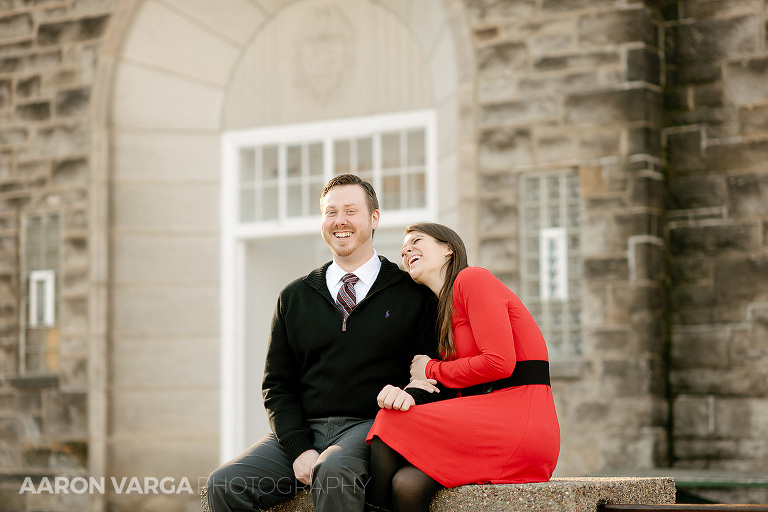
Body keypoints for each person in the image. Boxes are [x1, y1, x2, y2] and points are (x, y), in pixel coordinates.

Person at [206, 175, 438, 512]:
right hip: (305, 430)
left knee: (331, 471)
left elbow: (431, 374)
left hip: (372, 426)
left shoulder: (413, 295)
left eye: (350, 211)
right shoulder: (295, 296)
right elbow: (277, 385)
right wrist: (299, 448)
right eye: (331, 212)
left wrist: (408, 397)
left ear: (374, 218)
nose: (339, 220)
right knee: (224, 484)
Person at [365, 222, 560, 512]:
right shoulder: (443, 312)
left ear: (447, 249)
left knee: (390, 423)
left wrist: (431, 369)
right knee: (406, 484)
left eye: (416, 241)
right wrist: (415, 388)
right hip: (487, 422)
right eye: (403, 249)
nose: (406, 250)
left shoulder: (472, 279)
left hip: (519, 419)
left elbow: (499, 362)